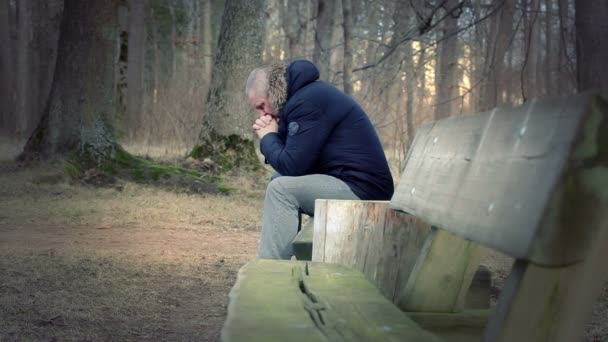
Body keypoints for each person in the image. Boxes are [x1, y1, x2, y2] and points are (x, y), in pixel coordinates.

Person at [246, 59, 394, 259]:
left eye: (262, 106)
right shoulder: (304, 97)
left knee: (281, 190)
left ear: (272, 92)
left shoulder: (308, 101)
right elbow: (298, 157)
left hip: (365, 193)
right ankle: (281, 262)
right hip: (349, 182)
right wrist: (277, 133)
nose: (262, 114)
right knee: (277, 179)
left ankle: (269, 273)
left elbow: (293, 165)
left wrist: (268, 137)